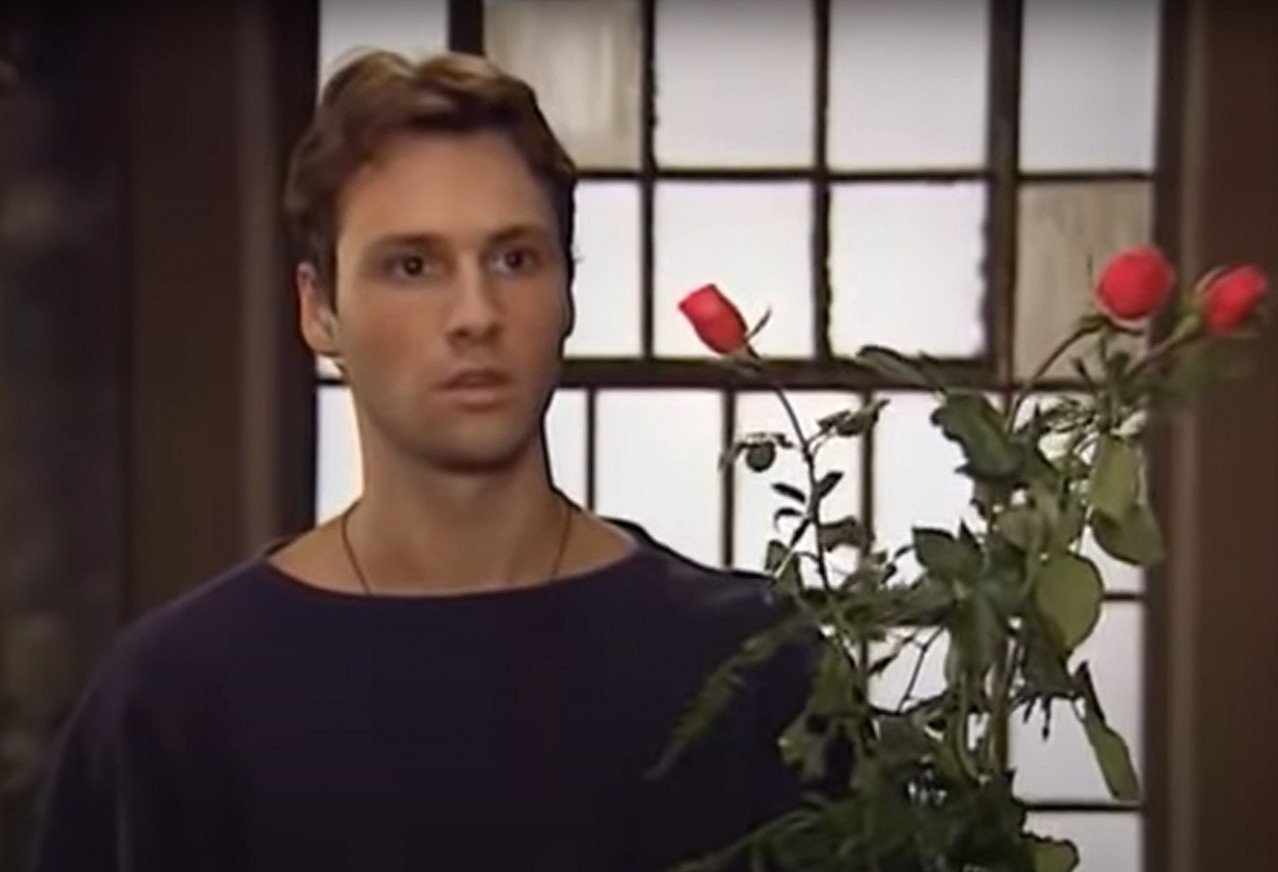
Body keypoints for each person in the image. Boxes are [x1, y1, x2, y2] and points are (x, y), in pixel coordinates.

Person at [27, 50, 818, 872]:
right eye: (413, 266)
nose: (476, 314)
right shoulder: (172, 701)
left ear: (568, 292)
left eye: (514, 259)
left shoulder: (749, 664)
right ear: (319, 309)